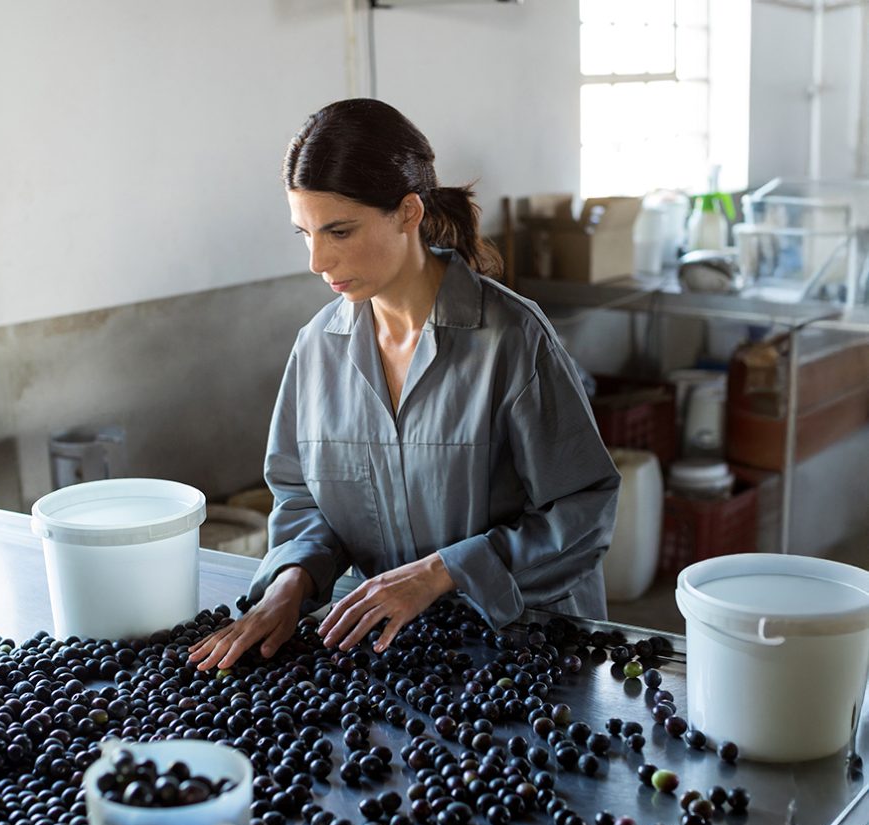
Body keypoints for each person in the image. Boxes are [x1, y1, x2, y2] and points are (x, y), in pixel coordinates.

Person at [189, 98, 619, 672]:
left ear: (408, 212)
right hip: (401, 655)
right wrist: (291, 580)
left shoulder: (511, 340)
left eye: (339, 231)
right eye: (305, 233)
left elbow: (584, 511)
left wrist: (443, 572)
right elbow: (303, 497)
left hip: (529, 651)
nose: (317, 260)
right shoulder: (318, 349)